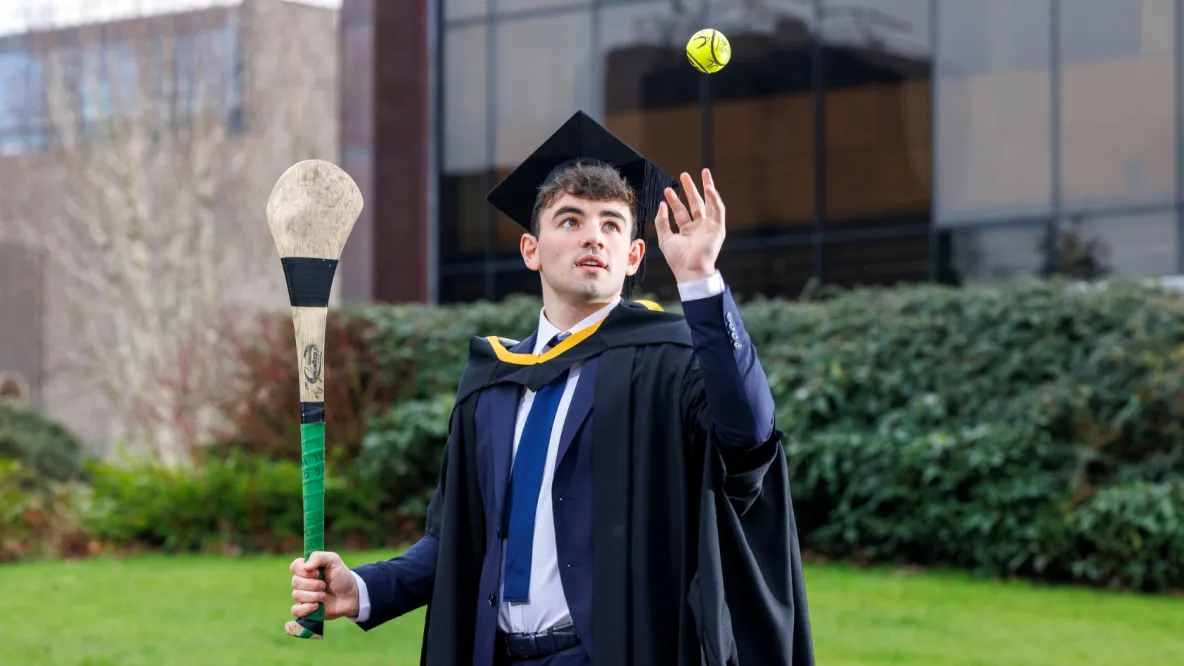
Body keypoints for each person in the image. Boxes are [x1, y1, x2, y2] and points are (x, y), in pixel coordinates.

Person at [288, 110, 815, 666]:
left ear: (633, 255)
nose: (594, 236)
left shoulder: (670, 363)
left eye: (612, 224)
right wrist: (363, 589)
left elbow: (751, 435)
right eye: (570, 221)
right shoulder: (491, 379)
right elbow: (460, 542)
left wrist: (701, 280)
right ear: (531, 249)